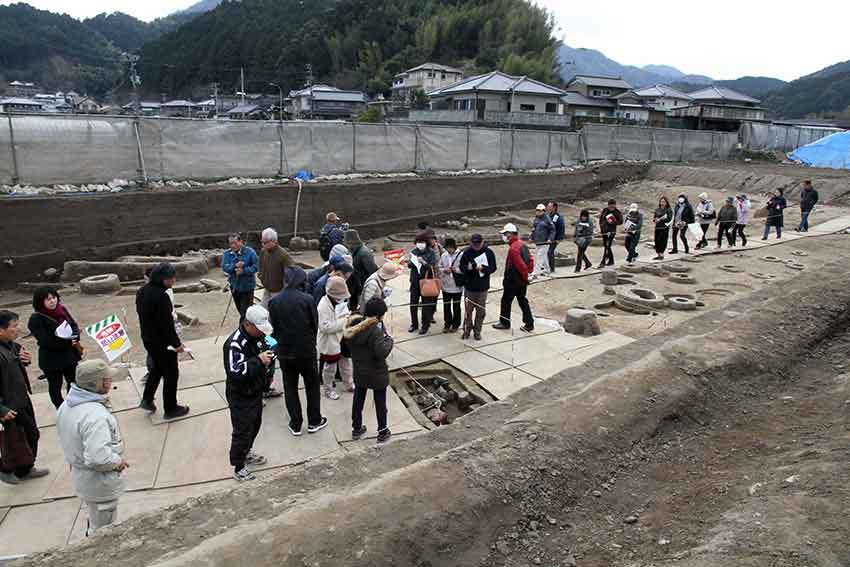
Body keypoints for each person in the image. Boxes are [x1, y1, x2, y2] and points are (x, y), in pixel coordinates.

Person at [56, 359, 128, 533]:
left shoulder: (67, 405)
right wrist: (117, 462)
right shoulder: (95, 416)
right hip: (100, 483)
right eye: (107, 378)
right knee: (103, 529)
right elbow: (98, 458)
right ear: (97, 383)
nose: (111, 381)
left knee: (95, 516)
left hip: (83, 478)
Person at [269, 267, 327, 436]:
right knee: (312, 386)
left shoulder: (275, 301)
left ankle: (295, 423)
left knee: (290, 387)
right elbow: (314, 325)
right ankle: (314, 421)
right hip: (306, 351)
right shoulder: (307, 299)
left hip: (285, 352)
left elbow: (274, 329)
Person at [222, 305, 275, 482]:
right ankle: (238, 465)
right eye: (259, 329)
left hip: (255, 390)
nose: (262, 333)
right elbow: (235, 372)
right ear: (248, 324)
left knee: (255, 424)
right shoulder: (234, 344)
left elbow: (266, 349)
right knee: (242, 430)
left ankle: (247, 452)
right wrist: (258, 361)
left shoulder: (258, 338)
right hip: (240, 394)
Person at [0, 310, 50, 485]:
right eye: (14, 326)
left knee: (31, 435)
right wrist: (2, 409)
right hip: (8, 403)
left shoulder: (12, 345)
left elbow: (18, 363)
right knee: (12, 440)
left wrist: (24, 361)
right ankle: (6, 470)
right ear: (1, 330)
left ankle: (25, 469)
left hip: (21, 398)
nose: (18, 329)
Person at [136, 263, 190, 419]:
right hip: (162, 343)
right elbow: (167, 326)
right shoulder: (161, 297)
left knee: (157, 369)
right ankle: (171, 408)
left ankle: (147, 399)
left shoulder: (142, 291)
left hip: (148, 338)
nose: (174, 281)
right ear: (164, 279)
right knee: (171, 373)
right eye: (172, 278)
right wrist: (177, 344)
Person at [344, 298, 394, 444]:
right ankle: (382, 431)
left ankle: (357, 428)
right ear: (378, 316)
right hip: (377, 373)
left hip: (360, 370)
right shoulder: (375, 331)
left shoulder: (353, 325)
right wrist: (389, 340)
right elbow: (381, 352)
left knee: (358, 400)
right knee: (380, 403)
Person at [27, 287, 83, 408]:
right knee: (55, 385)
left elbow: (73, 325)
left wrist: (75, 336)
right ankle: (61, 407)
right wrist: (68, 342)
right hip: (51, 359)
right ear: (40, 302)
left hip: (69, 356)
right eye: (48, 299)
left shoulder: (62, 310)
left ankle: (72, 404)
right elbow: (45, 340)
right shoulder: (36, 319)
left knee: (73, 382)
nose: (52, 301)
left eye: (54, 297)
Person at [317, 276, 354, 400]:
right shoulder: (323, 306)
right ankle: (328, 389)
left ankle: (348, 383)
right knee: (330, 367)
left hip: (342, 337)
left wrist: (347, 316)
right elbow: (325, 327)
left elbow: (345, 312)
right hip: (330, 341)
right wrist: (345, 321)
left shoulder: (341, 301)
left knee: (346, 361)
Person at [493, 223, 534, 333]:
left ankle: (505, 322)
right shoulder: (522, 244)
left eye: (505, 234)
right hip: (521, 280)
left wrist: (525, 275)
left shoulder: (513, 248)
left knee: (506, 301)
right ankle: (529, 323)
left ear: (510, 234)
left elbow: (521, 266)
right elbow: (530, 260)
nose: (504, 236)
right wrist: (528, 275)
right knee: (522, 301)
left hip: (513, 280)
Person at [459, 234, 497, 341]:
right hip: (470, 287)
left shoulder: (488, 252)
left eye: (478, 243)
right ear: (471, 242)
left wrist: (483, 268)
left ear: (482, 242)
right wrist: (468, 268)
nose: (476, 246)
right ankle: (467, 330)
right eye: (474, 243)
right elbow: (462, 267)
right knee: (468, 311)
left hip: (482, 287)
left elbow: (493, 267)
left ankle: (477, 331)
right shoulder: (466, 253)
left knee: (480, 312)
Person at [408, 229, 439, 335]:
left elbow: (431, 267)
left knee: (426, 305)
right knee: (413, 303)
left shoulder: (431, 252)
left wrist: (423, 262)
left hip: (426, 281)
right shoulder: (413, 252)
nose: (420, 244)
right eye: (418, 242)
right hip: (415, 281)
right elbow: (409, 265)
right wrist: (411, 262)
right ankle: (414, 323)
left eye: (422, 242)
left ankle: (425, 325)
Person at [222, 233, 259, 320]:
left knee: (245, 313)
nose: (233, 245)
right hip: (234, 287)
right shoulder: (227, 254)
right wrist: (234, 265)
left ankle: (243, 330)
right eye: (231, 243)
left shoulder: (250, 252)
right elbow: (225, 267)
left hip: (247, 287)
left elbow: (256, 266)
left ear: (241, 241)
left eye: (235, 243)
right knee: (240, 310)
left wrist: (244, 270)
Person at [344, 229, 378, 312]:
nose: (345, 243)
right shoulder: (353, 250)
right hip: (355, 286)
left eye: (346, 241)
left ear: (351, 241)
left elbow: (372, 271)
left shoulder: (364, 253)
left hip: (362, 286)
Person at [258, 228, 292, 308]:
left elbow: (291, 274)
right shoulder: (263, 252)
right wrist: (261, 276)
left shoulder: (283, 255)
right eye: (262, 242)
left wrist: (285, 290)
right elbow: (260, 266)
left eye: (265, 242)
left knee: (275, 314)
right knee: (263, 311)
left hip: (279, 290)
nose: (263, 244)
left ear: (274, 241)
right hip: (267, 288)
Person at [438, 238, 463, 333]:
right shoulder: (444, 255)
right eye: (447, 248)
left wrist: (455, 269)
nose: (448, 250)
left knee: (456, 306)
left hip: (457, 286)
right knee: (446, 306)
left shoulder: (461, 255)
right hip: (446, 285)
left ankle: (456, 324)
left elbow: (464, 269)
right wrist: (444, 270)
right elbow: (439, 267)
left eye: (450, 248)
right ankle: (447, 323)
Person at [530, 204, 555, 279]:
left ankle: (535, 273)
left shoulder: (547, 219)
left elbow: (553, 230)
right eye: (537, 210)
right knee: (543, 257)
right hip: (538, 241)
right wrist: (531, 237)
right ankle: (547, 270)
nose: (538, 212)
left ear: (543, 211)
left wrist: (550, 238)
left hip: (545, 242)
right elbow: (534, 228)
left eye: (540, 211)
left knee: (539, 257)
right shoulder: (536, 218)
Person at [598, 199, 623, 268]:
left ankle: (603, 262)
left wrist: (613, 222)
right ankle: (611, 260)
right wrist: (601, 226)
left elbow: (620, 221)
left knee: (607, 246)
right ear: (608, 205)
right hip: (604, 231)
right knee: (606, 246)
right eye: (610, 206)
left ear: (615, 206)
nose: (611, 208)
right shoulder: (605, 210)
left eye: (613, 206)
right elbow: (601, 219)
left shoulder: (617, 212)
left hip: (611, 231)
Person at [547, 202, 565, 274]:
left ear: (554, 207)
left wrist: (559, 238)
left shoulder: (557, 217)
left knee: (550, 252)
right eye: (548, 206)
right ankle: (547, 267)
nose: (547, 207)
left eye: (549, 206)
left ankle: (552, 268)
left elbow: (561, 227)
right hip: (548, 238)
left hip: (555, 238)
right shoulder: (548, 215)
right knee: (546, 252)